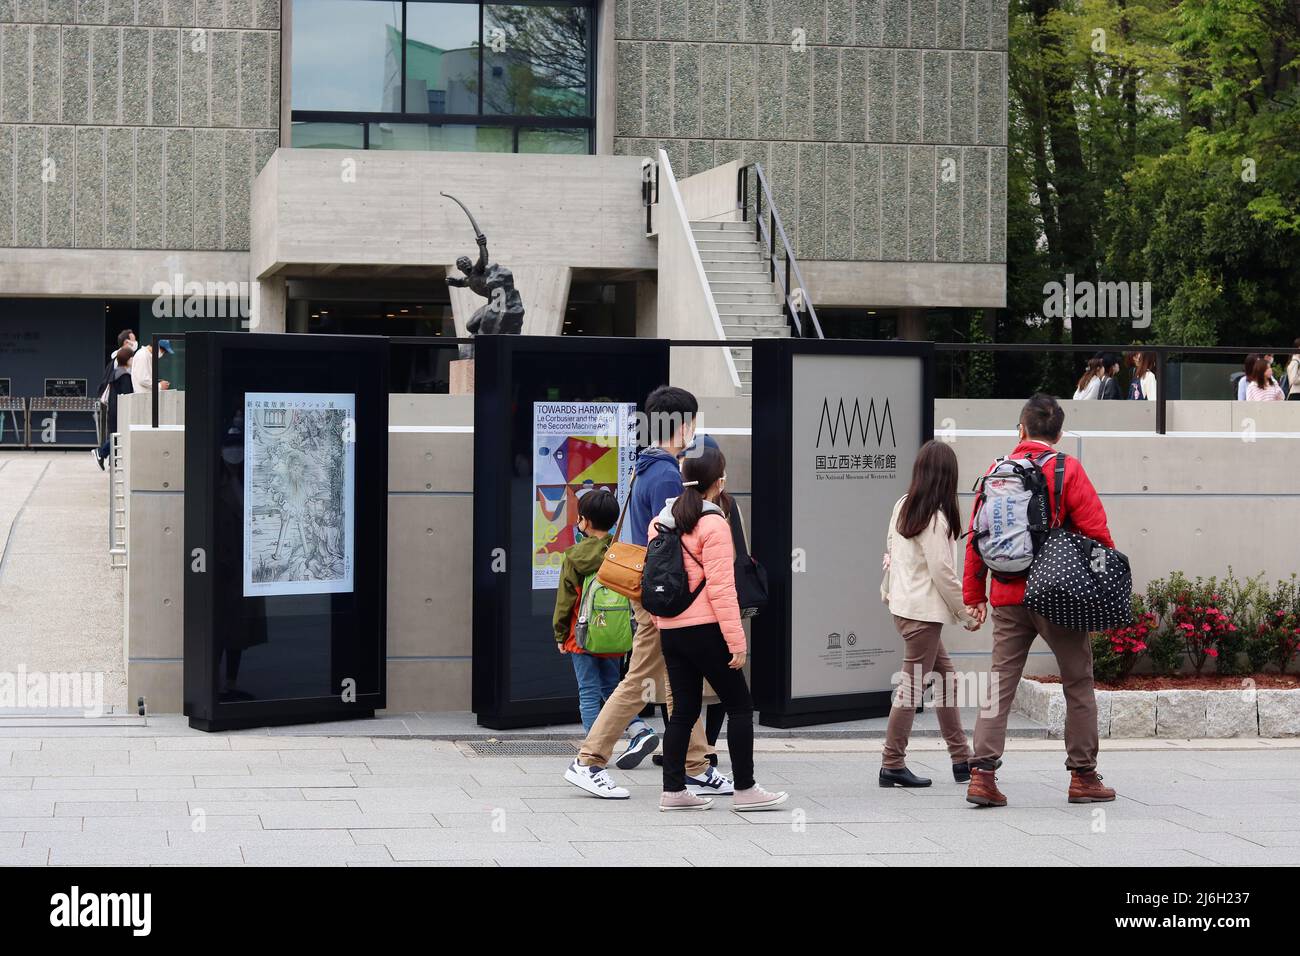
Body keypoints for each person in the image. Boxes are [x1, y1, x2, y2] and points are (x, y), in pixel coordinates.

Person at [564, 386, 728, 800]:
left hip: (650, 591)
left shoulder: (647, 465)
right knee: (640, 680)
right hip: (661, 596)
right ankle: (588, 760)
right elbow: (675, 541)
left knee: (677, 681)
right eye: (693, 422)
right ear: (684, 425)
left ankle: (695, 765)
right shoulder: (668, 474)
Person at [963, 393, 1117, 807]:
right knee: (1078, 682)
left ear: (1021, 429)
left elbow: (977, 536)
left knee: (1000, 683)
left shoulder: (997, 471)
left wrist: (975, 595)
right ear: (1059, 434)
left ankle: (982, 776)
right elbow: (1097, 533)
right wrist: (1097, 584)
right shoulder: (1067, 468)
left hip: (1007, 593)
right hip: (1058, 595)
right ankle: (1083, 776)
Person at [650, 446, 787, 811]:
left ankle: (673, 791)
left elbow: (653, 579)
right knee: (740, 706)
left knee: (683, 711)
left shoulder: (661, 522)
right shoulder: (713, 524)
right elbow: (722, 589)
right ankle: (745, 789)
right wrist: (736, 641)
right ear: (719, 482)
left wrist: (661, 623)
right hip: (707, 630)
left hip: (671, 630)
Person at [879, 440, 980, 788]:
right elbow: (943, 572)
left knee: (947, 680)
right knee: (911, 689)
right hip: (922, 617)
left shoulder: (904, 505)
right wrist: (965, 613)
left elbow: (891, 552)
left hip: (905, 608)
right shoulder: (935, 518)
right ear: (947, 477)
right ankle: (892, 763)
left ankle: (962, 759)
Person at [551, 488, 652, 742]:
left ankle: (593, 746)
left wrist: (560, 634)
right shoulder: (621, 554)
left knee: (588, 691)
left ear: (584, 521)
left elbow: (565, 601)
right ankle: (638, 730)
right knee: (613, 688)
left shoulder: (574, 557)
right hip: (615, 633)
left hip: (581, 636)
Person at [91, 349, 134, 470]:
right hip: (120, 410)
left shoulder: (115, 372)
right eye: (132, 358)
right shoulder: (124, 376)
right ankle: (101, 452)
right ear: (128, 359)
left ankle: (107, 458)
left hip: (113, 408)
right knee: (118, 435)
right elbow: (127, 395)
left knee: (115, 435)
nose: (133, 360)